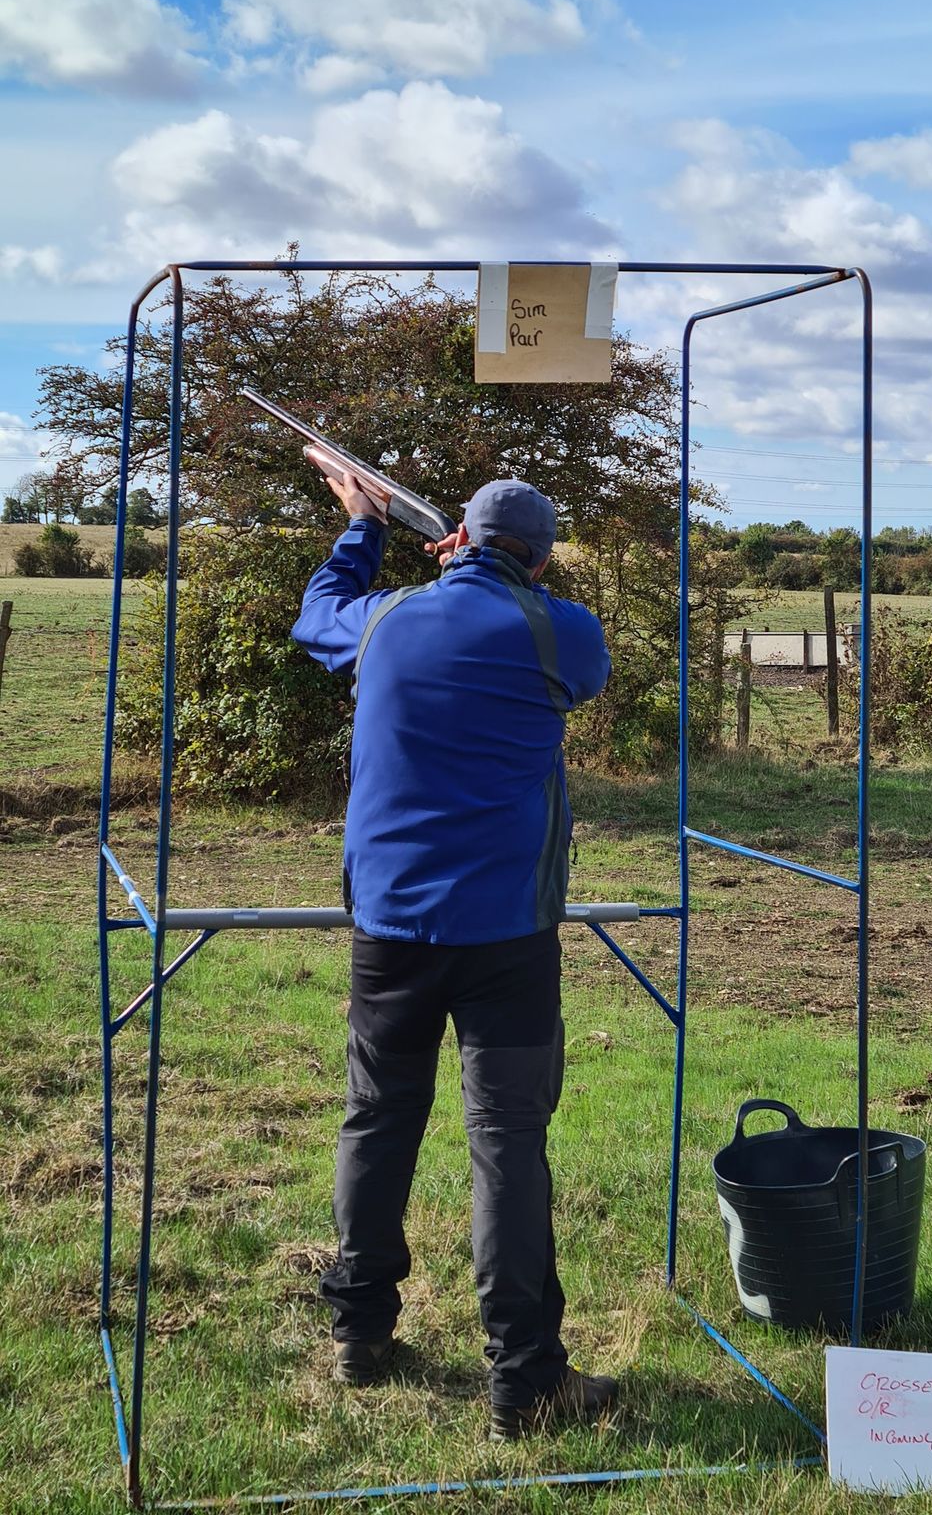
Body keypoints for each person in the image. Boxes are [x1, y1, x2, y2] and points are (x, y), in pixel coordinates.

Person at [291, 469, 615, 1441]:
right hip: (511, 934)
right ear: (544, 555)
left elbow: (320, 619)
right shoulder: (566, 630)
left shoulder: (387, 620)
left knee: (378, 1119)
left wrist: (361, 526)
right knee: (508, 1143)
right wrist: (478, 571)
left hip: (389, 929)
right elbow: (577, 671)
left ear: (456, 538)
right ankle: (525, 1379)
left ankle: (359, 1330)